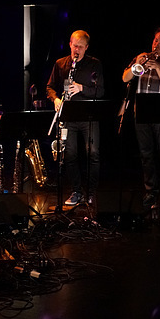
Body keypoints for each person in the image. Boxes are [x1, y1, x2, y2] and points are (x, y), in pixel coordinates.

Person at [122, 26, 160, 209]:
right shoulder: (142, 57)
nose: (157, 45)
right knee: (146, 155)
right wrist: (135, 64)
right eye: (156, 41)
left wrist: (157, 68)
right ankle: (151, 192)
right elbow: (125, 78)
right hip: (141, 111)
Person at [46, 30, 105, 206]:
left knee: (93, 154)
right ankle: (76, 191)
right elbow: (49, 87)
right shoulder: (61, 63)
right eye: (74, 45)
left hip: (88, 116)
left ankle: (92, 193)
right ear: (70, 44)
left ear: (86, 48)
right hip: (68, 117)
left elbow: (100, 91)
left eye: (80, 46)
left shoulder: (95, 64)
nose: (76, 49)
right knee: (69, 155)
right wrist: (55, 98)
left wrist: (81, 88)